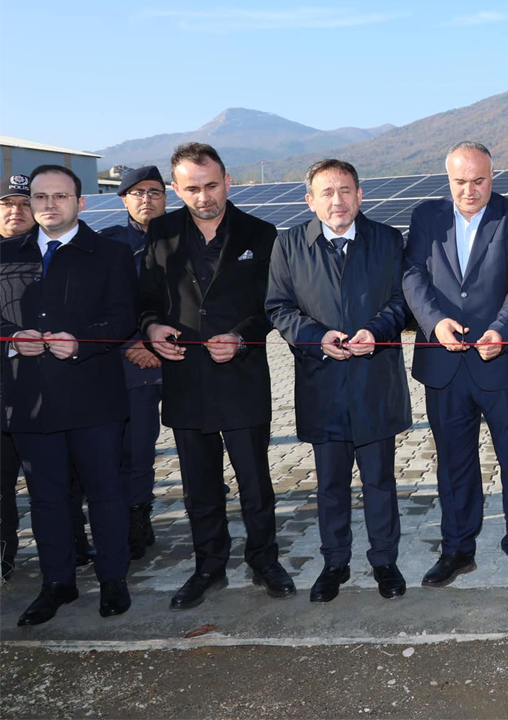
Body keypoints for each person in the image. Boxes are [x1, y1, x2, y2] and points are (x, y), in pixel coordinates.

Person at [139, 142, 294, 609]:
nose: (204, 196)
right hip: (185, 377)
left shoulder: (261, 232)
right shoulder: (160, 232)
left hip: (242, 375)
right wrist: (151, 327)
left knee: (255, 480)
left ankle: (264, 559)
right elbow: (145, 296)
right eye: (192, 188)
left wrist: (243, 337)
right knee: (199, 484)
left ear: (227, 180)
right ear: (176, 189)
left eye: (211, 185)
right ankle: (208, 565)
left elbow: (272, 305)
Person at [267, 159, 412, 602]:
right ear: (310, 201)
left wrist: (378, 330)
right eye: (327, 192)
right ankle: (335, 564)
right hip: (322, 384)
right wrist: (316, 337)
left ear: (360, 195)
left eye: (346, 190)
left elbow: (400, 300)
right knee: (330, 485)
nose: (337, 200)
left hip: (374, 382)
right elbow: (279, 307)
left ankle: (385, 562)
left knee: (380, 482)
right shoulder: (289, 246)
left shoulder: (388, 240)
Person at [0, 165, 137, 625]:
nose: (48, 205)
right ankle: (57, 583)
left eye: (60, 196)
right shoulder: (4, 255)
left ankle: (113, 579)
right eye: (40, 197)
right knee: (46, 497)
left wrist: (81, 340)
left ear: (80, 202)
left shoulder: (110, 253)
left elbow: (123, 318)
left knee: (104, 492)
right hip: (29, 402)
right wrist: (13, 336)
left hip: (93, 397)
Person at [402, 142, 508, 589]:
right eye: (460, 181)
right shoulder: (426, 217)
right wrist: (433, 322)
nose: (469, 190)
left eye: (478, 180)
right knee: (454, 465)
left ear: (492, 177)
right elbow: (412, 275)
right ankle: (458, 550)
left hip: (503, 362)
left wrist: (501, 329)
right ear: (448, 179)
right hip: (445, 364)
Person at [100, 166, 167, 560]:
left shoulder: (186, 237)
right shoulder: (108, 244)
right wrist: (133, 344)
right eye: (137, 192)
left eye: (154, 192)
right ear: (123, 199)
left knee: (203, 443)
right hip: (134, 363)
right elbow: (107, 302)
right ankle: (135, 518)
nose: (146, 199)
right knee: (135, 447)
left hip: (183, 358)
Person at [1, 173, 34, 581]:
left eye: (24, 204)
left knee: (59, 484)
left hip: (50, 387)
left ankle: (71, 550)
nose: (15, 211)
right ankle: (5, 556)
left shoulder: (50, 254)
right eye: (7, 203)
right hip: (3, 392)